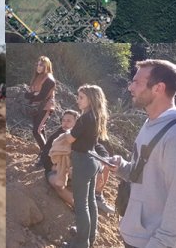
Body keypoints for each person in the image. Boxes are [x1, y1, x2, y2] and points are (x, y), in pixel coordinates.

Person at [110, 59, 176, 248]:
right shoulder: (151, 123)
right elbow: (145, 175)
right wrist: (122, 168)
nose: (130, 87)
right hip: (137, 236)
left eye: (137, 82)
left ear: (158, 88)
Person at [60, 85, 109, 248]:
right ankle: (90, 235)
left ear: (91, 99)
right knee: (90, 202)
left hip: (82, 162)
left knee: (81, 205)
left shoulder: (84, 118)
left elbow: (70, 138)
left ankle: (81, 243)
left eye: (81, 97)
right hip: (93, 160)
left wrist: (67, 133)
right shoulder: (96, 116)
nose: (78, 100)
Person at [41, 110, 115, 215]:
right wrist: (61, 169)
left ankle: (97, 195)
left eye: (69, 121)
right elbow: (45, 159)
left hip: (79, 169)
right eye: (64, 120)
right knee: (55, 182)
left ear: (77, 124)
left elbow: (100, 149)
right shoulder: (55, 137)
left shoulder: (83, 136)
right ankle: (78, 206)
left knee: (105, 165)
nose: (65, 123)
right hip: (59, 170)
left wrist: (103, 162)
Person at [25, 56, 56, 159]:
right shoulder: (38, 77)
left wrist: (31, 95)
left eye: (41, 65)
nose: (38, 67)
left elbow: (41, 96)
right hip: (36, 107)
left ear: (46, 66)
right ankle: (45, 152)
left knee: (36, 131)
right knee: (40, 131)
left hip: (45, 107)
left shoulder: (49, 79)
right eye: (37, 64)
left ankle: (46, 155)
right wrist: (33, 94)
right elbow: (30, 94)